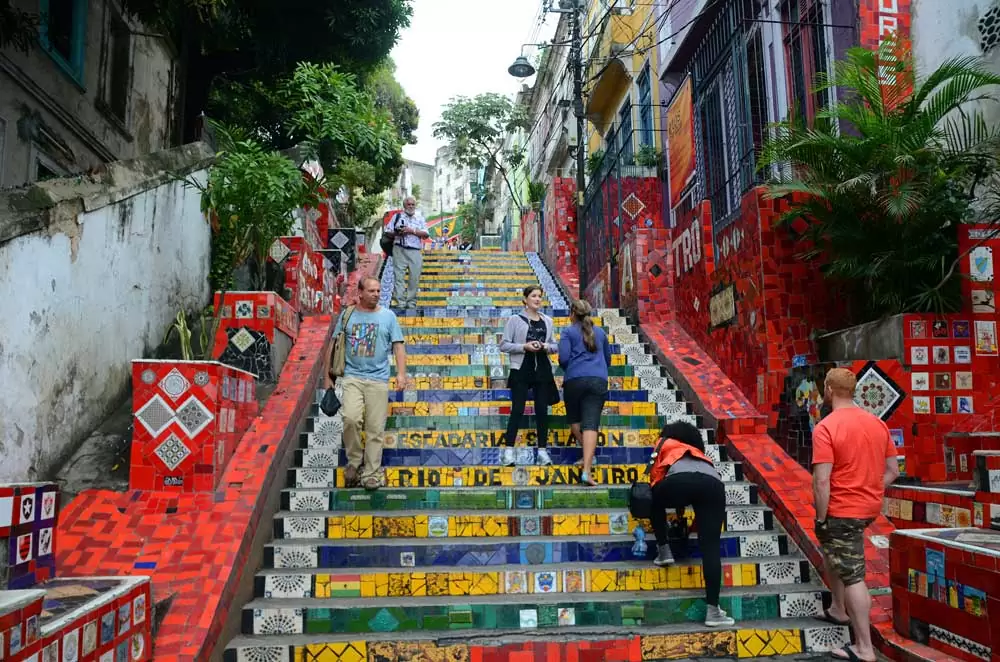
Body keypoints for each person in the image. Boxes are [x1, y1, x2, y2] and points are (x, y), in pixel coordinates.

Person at [812, 368, 898, 662]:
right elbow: (893, 471)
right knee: (836, 553)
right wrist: (871, 489)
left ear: (829, 390)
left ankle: (864, 647)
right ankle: (838, 609)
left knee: (853, 575)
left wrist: (822, 516)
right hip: (867, 509)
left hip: (841, 510)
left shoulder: (826, 427)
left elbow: (822, 481)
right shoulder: (877, 423)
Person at [324, 276, 409, 491]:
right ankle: (354, 461)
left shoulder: (388, 316)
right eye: (371, 291)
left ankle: (371, 473)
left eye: (379, 291)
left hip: (378, 379)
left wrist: (401, 374)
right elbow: (333, 346)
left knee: (375, 428)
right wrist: (328, 379)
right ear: (359, 293)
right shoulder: (348, 315)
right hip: (352, 377)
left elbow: (398, 346)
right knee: (351, 418)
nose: (376, 294)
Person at [647, 421, 734, 627]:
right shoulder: (701, 455)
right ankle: (713, 611)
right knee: (711, 548)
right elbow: (698, 490)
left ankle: (664, 551)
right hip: (713, 484)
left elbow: (655, 478)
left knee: (652, 497)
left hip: (678, 481)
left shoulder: (664, 442)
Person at [499, 285, 558, 466]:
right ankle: (508, 451)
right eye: (534, 296)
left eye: (540, 296)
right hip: (521, 369)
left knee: (542, 411)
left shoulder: (547, 321)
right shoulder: (515, 320)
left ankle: (542, 451)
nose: (538, 299)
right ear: (525, 299)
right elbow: (503, 345)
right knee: (517, 409)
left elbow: (555, 346)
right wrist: (523, 347)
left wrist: (546, 347)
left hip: (542, 370)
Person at [558, 299, 611, 486]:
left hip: (574, 380)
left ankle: (588, 457)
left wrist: (574, 368)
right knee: (591, 425)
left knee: (575, 424)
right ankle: (587, 469)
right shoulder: (601, 333)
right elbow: (607, 359)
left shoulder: (567, 331)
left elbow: (563, 358)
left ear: (573, 312)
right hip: (598, 381)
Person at [385, 196, 429, 309]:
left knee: (414, 277)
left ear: (415, 205)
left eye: (413, 204)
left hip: (415, 250)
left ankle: (411, 302)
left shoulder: (420, 218)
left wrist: (412, 231)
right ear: (404, 206)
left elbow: (426, 234)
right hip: (399, 249)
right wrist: (398, 233)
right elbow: (388, 231)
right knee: (399, 277)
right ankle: (400, 302)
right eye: (408, 204)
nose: (411, 206)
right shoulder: (397, 216)